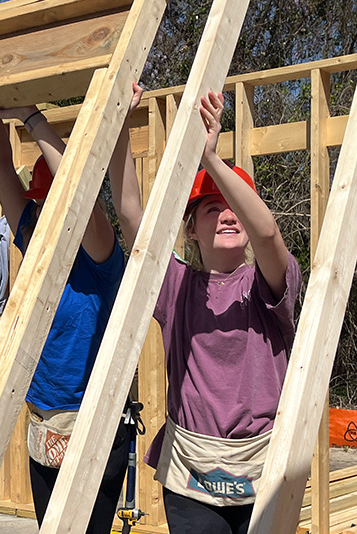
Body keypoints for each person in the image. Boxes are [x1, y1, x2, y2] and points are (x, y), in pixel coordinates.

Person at [0, 82, 143, 533]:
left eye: (55, 203)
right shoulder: (34, 233)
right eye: (41, 204)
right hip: (44, 421)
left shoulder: (98, 252)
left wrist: (32, 117)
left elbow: (83, 199)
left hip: (93, 422)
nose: (45, 212)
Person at [141, 91, 301, 533]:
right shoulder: (176, 287)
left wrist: (211, 159)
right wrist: (119, 135)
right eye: (213, 208)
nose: (229, 216)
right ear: (192, 228)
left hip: (262, 468)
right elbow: (133, 221)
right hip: (191, 472)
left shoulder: (267, 285)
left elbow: (267, 234)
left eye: (237, 208)